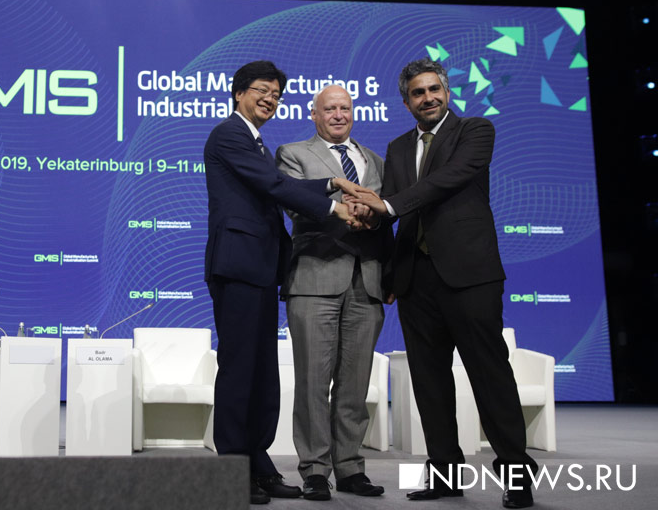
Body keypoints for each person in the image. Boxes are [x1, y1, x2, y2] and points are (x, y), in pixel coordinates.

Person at [349, 58, 538, 509]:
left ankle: (517, 477)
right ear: (406, 102)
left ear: (447, 92)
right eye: (418, 92)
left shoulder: (475, 131)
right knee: (430, 385)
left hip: (470, 276)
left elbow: (445, 181)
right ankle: (445, 474)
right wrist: (382, 245)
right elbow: (396, 216)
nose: (428, 98)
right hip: (416, 281)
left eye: (434, 89)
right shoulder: (397, 148)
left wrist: (387, 205)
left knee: (490, 377)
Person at [203, 61, 358, 505]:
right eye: (261, 90)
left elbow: (278, 183)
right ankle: (234, 469)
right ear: (238, 93)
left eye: (276, 94)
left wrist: (331, 182)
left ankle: (258, 461)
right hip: (238, 266)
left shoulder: (254, 141)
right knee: (239, 372)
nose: (269, 99)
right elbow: (273, 184)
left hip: (261, 268)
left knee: (262, 374)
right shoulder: (228, 134)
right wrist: (333, 206)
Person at [274, 84, 393, 501]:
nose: (338, 114)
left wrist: (373, 217)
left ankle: (350, 468)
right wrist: (343, 210)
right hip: (314, 279)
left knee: (354, 384)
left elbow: (388, 214)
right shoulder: (293, 153)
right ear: (314, 114)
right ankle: (314, 470)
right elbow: (294, 202)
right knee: (312, 382)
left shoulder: (376, 160)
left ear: (353, 113)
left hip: (367, 280)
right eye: (329, 109)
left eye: (345, 107)